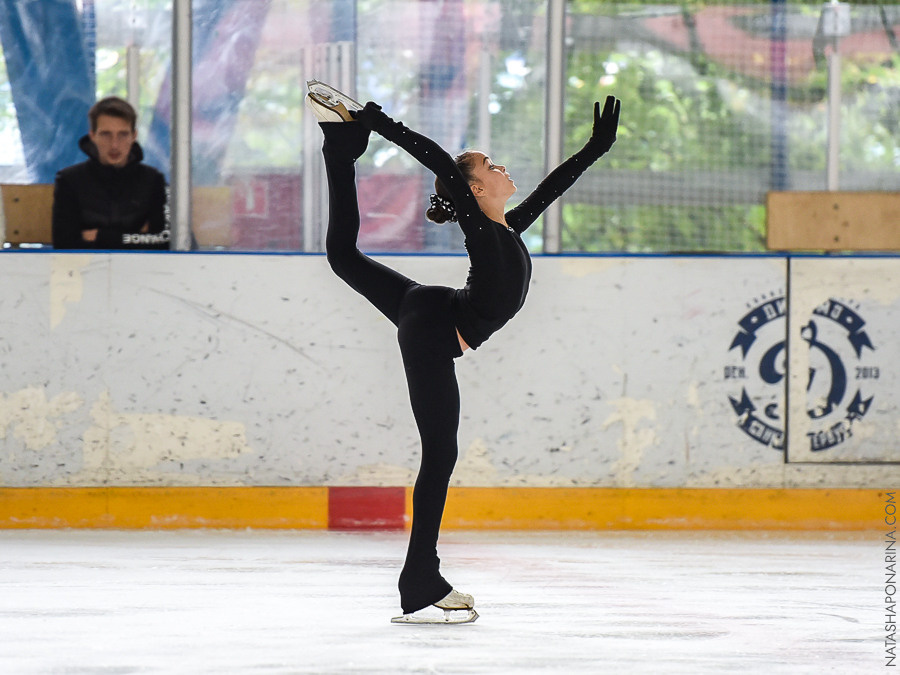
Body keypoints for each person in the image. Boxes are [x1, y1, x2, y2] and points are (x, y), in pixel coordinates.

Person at [307, 83, 620, 623]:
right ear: (474, 188)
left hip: (428, 308)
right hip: (430, 325)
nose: (499, 167)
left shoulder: (505, 227)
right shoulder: (481, 227)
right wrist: (377, 121)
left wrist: (594, 150)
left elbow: (550, 189)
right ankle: (419, 578)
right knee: (441, 453)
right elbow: (433, 157)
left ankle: (339, 147)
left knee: (343, 257)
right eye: (488, 164)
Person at [52, 96, 169, 250]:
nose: (114, 145)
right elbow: (64, 242)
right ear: (93, 136)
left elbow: (165, 240)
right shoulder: (68, 180)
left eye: (123, 134)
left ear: (134, 136)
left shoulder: (154, 180)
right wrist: (135, 238)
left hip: (139, 270)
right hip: (82, 270)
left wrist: (101, 236)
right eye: (106, 134)